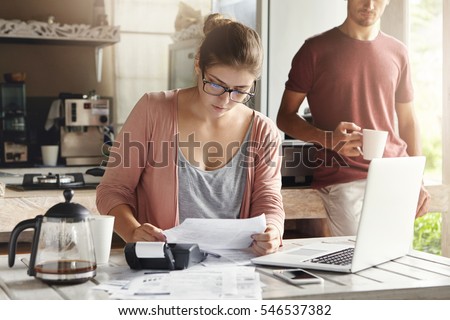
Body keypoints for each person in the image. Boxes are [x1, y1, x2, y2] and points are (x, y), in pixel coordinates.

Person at [96, 13, 284, 256]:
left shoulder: (263, 130)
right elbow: (112, 190)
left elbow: (268, 198)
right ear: (198, 65)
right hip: (164, 267)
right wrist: (133, 232)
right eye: (215, 84)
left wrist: (273, 230)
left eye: (240, 91)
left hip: (236, 270)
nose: (225, 100)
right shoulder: (153, 110)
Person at [276, 0, 430, 236]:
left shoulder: (399, 52)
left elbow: (408, 120)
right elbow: (284, 117)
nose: (369, 4)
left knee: (394, 262)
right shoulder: (314, 50)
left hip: (395, 174)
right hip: (343, 178)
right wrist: (328, 140)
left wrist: (416, 178)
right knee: (356, 263)